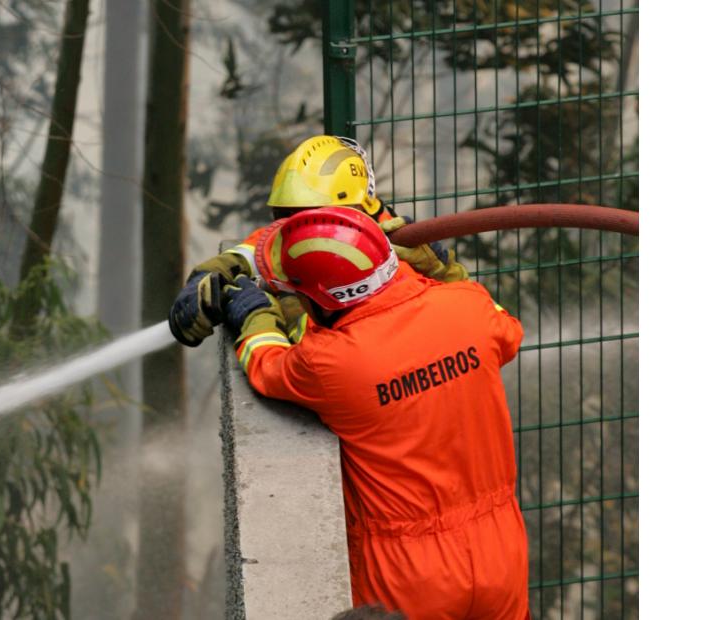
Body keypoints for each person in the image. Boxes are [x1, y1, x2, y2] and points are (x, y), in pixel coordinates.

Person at [222, 207, 529, 619]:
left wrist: (254, 317)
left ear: (323, 300)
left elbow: (267, 366)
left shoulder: (329, 364)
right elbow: (506, 330)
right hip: (501, 554)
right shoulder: (468, 306)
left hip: (404, 574)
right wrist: (442, 273)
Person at [168, 134, 467, 348]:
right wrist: (198, 290)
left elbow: (468, 316)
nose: (299, 229)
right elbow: (241, 258)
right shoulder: (285, 239)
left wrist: (261, 316)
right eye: (289, 216)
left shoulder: (404, 258)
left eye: (312, 216)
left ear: (352, 211)